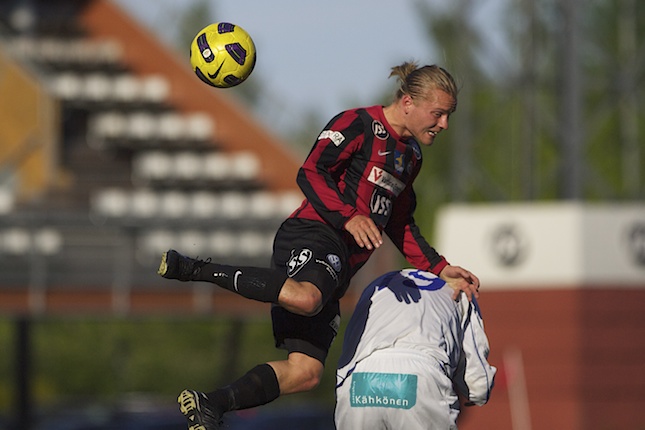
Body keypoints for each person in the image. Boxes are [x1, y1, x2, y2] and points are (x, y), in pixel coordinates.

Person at [158, 61, 481, 429]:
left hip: (339, 266)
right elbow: (310, 171)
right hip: (313, 233)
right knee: (306, 298)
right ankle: (195, 268)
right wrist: (348, 216)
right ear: (408, 102)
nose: (444, 125)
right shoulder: (357, 124)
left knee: (306, 372)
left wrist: (440, 268)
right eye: (438, 114)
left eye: (448, 116)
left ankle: (210, 404)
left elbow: (399, 221)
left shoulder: (411, 157)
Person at [335, 269, 496, 429]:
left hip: (361, 378)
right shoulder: (459, 289)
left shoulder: (376, 284)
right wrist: (476, 394)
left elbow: (351, 345)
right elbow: (478, 381)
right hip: (421, 376)